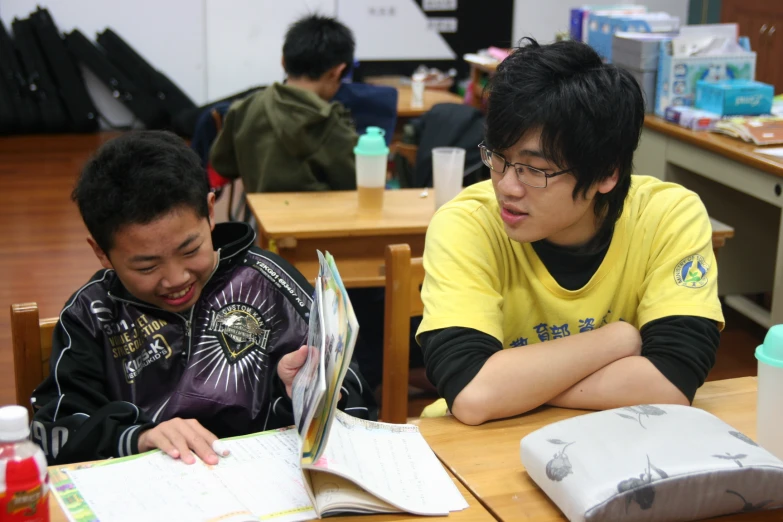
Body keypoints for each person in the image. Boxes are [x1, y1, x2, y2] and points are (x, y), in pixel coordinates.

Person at [416, 38, 723, 426]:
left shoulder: (668, 216)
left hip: (615, 443)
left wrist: (513, 389)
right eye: (499, 157)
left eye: (535, 169)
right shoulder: (468, 224)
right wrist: (620, 340)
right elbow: (473, 394)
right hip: (479, 443)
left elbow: (670, 383)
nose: (507, 186)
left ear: (607, 173)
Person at [30, 131, 375, 465]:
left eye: (190, 249)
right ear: (101, 253)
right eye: (147, 266)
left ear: (211, 212)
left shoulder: (267, 282)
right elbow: (54, 434)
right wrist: (140, 437)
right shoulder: (93, 315)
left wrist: (304, 395)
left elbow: (356, 400)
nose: (176, 279)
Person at [209, 14, 358, 193]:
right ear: (337, 72)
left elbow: (222, 164)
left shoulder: (244, 108)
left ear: (283, 62)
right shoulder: (332, 123)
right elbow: (356, 183)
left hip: (262, 218)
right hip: (321, 220)